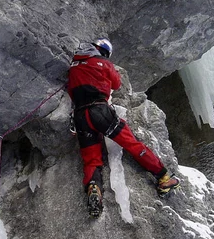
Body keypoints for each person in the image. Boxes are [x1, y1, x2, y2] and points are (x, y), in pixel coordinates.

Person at [67, 37, 180, 217]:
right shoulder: (103, 62)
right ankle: (164, 177)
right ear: (104, 52)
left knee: (91, 160)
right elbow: (117, 84)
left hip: (81, 117)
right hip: (100, 111)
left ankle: (94, 188)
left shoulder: (74, 65)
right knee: (131, 144)